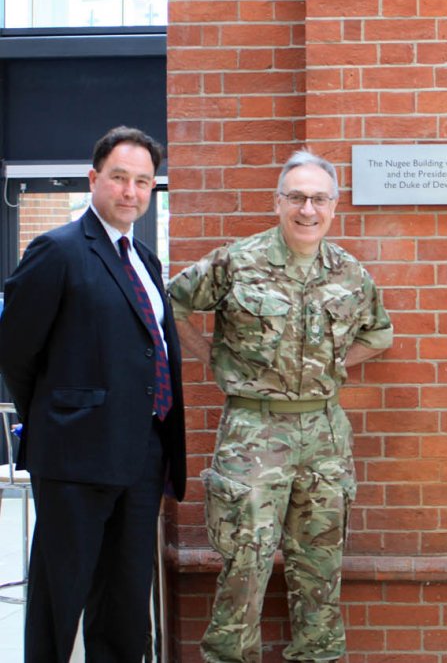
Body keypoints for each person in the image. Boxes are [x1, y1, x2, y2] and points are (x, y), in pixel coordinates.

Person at [168, 149, 393, 662]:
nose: (307, 209)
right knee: (244, 564)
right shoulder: (235, 262)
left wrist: (334, 365)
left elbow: (380, 334)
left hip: (324, 433)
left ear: (334, 207)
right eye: (296, 197)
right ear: (278, 202)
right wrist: (211, 356)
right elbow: (172, 303)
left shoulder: (350, 274)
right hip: (252, 430)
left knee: (319, 565)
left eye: (318, 199)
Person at [0, 126, 187, 661]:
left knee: (126, 597)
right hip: (76, 455)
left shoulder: (145, 260)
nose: (131, 192)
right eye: (120, 178)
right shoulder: (56, 251)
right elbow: (15, 351)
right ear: (94, 178)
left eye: (143, 182)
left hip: (141, 455)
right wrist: (62, 414)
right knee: (62, 595)